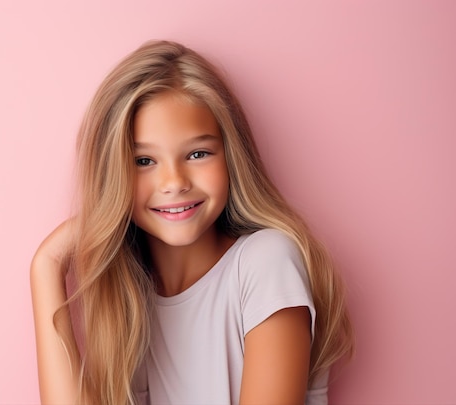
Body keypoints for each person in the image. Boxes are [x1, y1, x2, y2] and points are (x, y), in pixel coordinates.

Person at [30, 40, 354, 405]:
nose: (174, 182)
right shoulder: (132, 302)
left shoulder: (267, 263)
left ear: (231, 156)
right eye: (143, 161)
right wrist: (47, 266)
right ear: (114, 173)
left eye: (198, 153)